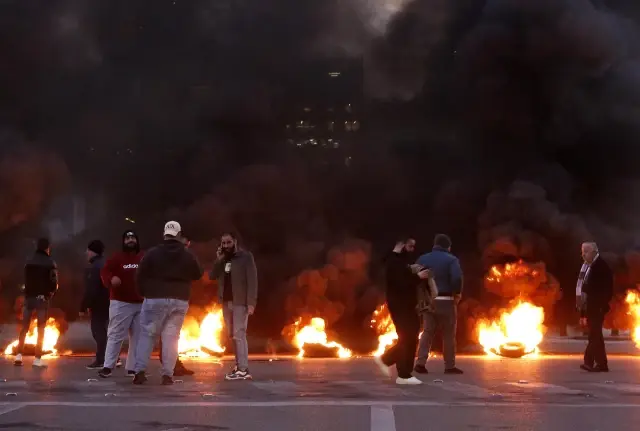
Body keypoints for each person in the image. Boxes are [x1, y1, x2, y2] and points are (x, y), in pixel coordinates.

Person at [133, 221, 203, 385]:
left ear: (164, 234)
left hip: (154, 298)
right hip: (179, 299)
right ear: (178, 235)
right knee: (171, 338)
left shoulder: (152, 253)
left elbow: (140, 274)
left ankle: (140, 372)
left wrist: (143, 292)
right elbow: (198, 273)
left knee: (147, 335)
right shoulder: (187, 254)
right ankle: (167, 375)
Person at [374, 238, 430, 385]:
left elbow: (403, 278)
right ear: (401, 245)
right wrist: (418, 277)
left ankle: (399, 369)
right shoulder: (394, 262)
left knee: (410, 336)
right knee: (408, 337)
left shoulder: (398, 261)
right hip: (401, 305)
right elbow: (401, 283)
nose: (412, 249)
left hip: (405, 305)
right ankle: (400, 371)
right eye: (410, 246)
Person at [210, 232, 258, 381]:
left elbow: (252, 280)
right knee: (233, 335)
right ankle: (239, 366)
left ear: (235, 242)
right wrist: (219, 260)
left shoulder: (245, 257)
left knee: (239, 334)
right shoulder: (223, 259)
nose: (226, 246)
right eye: (223, 243)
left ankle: (243, 369)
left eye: (228, 242)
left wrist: (251, 303)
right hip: (227, 302)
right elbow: (212, 276)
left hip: (240, 302)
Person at [414, 234, 464, 375]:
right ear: (447, 246)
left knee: (427, 332)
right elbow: (456, 277)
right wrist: (457, 294)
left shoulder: (423, 259)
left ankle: (420, 363)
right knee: (448, 334)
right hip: (446, 301)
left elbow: (415, 278)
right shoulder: (452, 260)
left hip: (428, 301)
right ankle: (449, 366)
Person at [98, 230, 144, 378]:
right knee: (115, 335)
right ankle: (108, 367)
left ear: (137, 240)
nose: (130, 240)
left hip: (141, 303)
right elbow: (104, 271)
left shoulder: (143, 257)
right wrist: (110, 279)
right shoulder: (116, 257)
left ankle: (133, 368)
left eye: (133, 237)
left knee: (138, 336)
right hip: (120, 302)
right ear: (123, 241)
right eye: (127, 238)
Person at [14, 238, 58, 368]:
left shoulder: (29, 261)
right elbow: (54, 281)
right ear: (47, 248)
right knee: (41, 328)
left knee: (25, 327)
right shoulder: (50, 262)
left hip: (29, 298)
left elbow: (26, 280)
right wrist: (50, 293)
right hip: (41, 299)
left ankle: (18, 356)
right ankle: (37, 359)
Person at [158, 234, 195, 377]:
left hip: (178, 298)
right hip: (166, 298)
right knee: (167, 334)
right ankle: (171, 365)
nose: (186, 247)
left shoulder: (183, 257)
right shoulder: (169, 257)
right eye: (184, 245)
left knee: (171, 334)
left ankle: (173, 364)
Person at [577, 242, 613, 372]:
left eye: (585, 252)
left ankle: (589, 362)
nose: (583, 255)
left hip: (597, 307)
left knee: (594, 335)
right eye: (582, 252)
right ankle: (602, 364)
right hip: (591, 307)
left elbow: (607, 289)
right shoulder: (589, 267)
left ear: (594, 252)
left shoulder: (601, 267)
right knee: (596, 336)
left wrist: (601, 305)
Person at [81, 239, 109, 370]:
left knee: (98, 332)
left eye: (88, 250)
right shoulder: (105, 263)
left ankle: (102, 360)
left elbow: (91, 289)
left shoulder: (95, 267)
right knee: (103, 330)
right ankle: (110, 357)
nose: (86, 252)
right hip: (108, 302)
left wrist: (83, 306)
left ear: (93, 252)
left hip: (99, 304)